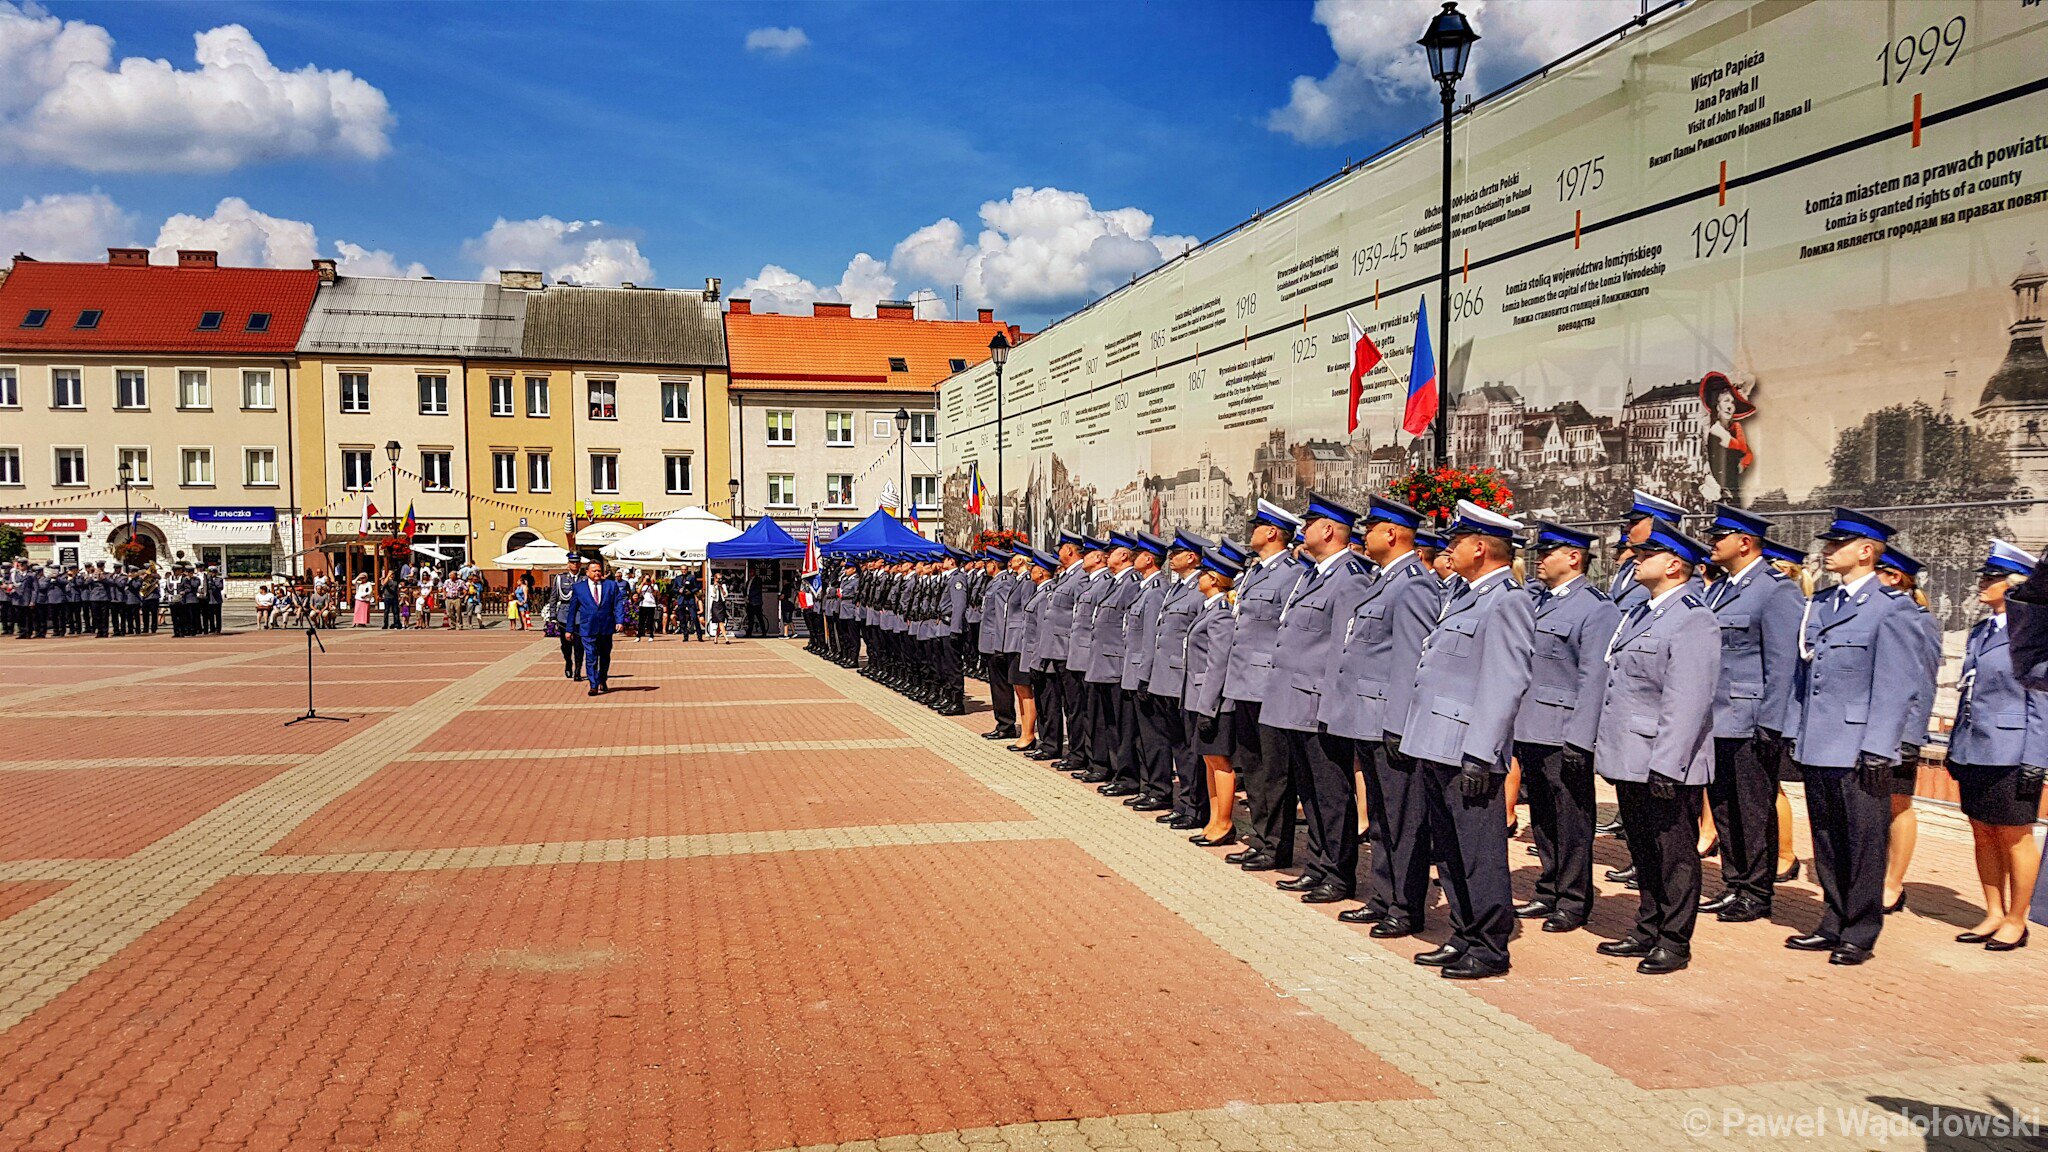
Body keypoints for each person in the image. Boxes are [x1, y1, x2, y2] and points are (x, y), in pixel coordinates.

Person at [1783, 508, 1931, 966]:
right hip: (1820, 741)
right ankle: (1832, 920)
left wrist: (1879, 747)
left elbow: (1894, 686)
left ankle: (1860, 931)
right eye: (1828, 545)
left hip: (1860, 746)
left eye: (1837, 545)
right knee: (1826, 837)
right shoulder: (1823, 603)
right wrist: (1795, 732)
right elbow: (1804, 676)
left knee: (1864, 840)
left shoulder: (1893, 609)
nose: (1827, 552)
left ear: (1866, 552)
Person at [1400, 500, 1535, 980]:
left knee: (1479, 853)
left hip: (1467, 750)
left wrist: (1482, 753)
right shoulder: (1463, 594)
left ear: (1480, 547)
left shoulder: (1508, 600)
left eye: (1455, 541)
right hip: (1437, 743)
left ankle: (1490, 945)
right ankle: (1463, 933)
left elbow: (1506, 682)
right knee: (1451, 849)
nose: (1447, 549)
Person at [1592, 519, 1721, 975]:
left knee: (1675, 854)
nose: (1637, 559)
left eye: (1647, 555)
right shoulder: (1644, 612)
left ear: (1674, 564)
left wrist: (1668, 765)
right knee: (1644, 850)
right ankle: (1647, 926)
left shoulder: (1693, 618)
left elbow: (1687, 701)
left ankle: (1674, 939)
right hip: (1632, 756)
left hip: (1664, 760)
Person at [1322, 496, 1445, 934]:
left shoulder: (1412, 585)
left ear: (1390, 534)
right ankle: (1384, 895)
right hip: (1367, 718)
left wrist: (1397, 724)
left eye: (1370, 528)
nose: (1363, 535)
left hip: (1388, 723)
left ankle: (1405, 907)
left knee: (1402, 818)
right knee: (1380, 816)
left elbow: (1411, 662)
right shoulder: (1384, 580)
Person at [1258, 494, 1374, 905]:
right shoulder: (1312, 575)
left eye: (1309, 524)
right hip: (1294, 703)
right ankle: (1318, 865)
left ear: (1328, 530)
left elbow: (1344, 649)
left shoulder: (1350, 578)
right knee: (1309, 791)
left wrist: (1332, 705)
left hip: (1319, 706)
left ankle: (1338, 875)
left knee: (1331, 793)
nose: (1302, 531)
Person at [1694, 507, 1806, 924]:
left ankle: (1756, 892)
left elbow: (1783, 664)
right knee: (1724, 807)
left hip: (1750, 718)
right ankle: (1734, 883)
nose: (1712, 541)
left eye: (1720, 535)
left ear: (1744, 542)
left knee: (1752, 809)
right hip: (1717, 718)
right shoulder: (1719, 589)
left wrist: (1772, 724)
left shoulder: (1776, 590)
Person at [1506, 521, 1617, 935]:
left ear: (1573, 558)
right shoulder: (1539, 601)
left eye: (1548, 551)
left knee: (1571, 818)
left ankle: (1573, 899)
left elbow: (1594, 678)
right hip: (1533, 726)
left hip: (1564, 730)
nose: (1539, 558)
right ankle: (1549, 887)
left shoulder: (1595, 607)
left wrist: (1580, 736)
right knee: (1544, 817)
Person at [1948, 540, 2045, 951]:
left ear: (2014, 585)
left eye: (1991, 578)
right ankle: (1992, 912)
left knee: (2013, 835)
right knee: (1982, 832)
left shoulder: (2034, 634)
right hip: (1974, 747)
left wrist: (2036, 759)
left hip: (2012, 750)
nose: (1982, 585)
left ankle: (2016, 920)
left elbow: (2041, 699)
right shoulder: (1981, 630)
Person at [1220, 501, 1307, 874]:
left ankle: (1276, 846)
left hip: (1269, 684)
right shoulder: (1253, 572)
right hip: (1244, 683)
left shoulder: (1292, 574)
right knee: (1253, 767)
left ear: (1272, 532)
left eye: (1257, 525)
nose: (1251, 529)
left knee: (1275, 771)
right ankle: (1260, 838)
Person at [1875, 547, 1942, 915]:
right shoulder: (1878, 615)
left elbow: (1924, 682)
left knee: (1898, 805)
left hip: (1900, 731)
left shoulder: (1919, 620)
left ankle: (1893, 883)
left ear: (1895, 577)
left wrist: (1911, 735)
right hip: (1870, 729)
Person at [1144, 532, 1209, 830]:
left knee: (1187, 749)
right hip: (1166, 678)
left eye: (1177, 553)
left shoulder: (1199, 590)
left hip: (1183, 679)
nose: (1171, 558)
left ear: (1192, 557)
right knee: (1176, 744)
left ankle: (1194, 808)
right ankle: (1183, 803)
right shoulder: (1174, 589)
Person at [1184, 549, 1243, 846]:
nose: (1200, 578)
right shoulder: (1210, 610)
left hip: (1214, 701)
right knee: (1209, 760)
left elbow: (1217, 664)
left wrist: (1208, 707)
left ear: (1214, 579)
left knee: (1220, 762)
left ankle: (1224, 822)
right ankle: (1213, 819)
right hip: (1201, 698)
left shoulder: (1220, 615)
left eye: (1205, 574)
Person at [568, 556, 631, 694]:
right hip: (588, 628)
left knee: (604, 656)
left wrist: (620, 621)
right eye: (594, 571)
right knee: (590, 655)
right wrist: (569, 629)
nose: (597, 573)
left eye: (599, 571)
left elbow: (618, 604)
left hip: (606, 627)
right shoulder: (579, 588)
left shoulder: (611, 585)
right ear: (587, 572)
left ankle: (602, 679)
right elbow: (572, 610)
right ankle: (593, 684)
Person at [553, 558, 586, 678]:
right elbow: (554, 597)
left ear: (580, 564)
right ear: (568, 564)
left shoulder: (585, 579)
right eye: (572, 562)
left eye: (577, 562)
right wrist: (552, 615)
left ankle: (578, 670)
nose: (575, 564)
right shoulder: (560, 578)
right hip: (564, 615)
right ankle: (568, 662)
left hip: (579, 615)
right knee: (565, 645)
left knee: (579, 645)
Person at [636, 574, 661, 641]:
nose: (647, 580)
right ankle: (638, 636)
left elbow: (656, 594)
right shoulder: (642, 585)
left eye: (648, 579)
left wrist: (651, 585)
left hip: (651, 605)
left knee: (650, 621)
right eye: (646, 578)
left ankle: (651, 635)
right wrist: (643, 583)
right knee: (641, 621)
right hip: (643, 604)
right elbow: (638, 591)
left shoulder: (654, 585)